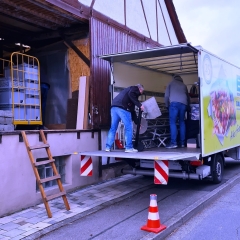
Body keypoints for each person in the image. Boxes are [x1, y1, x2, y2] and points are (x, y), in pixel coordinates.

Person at [105, 84, 144, 153]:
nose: (140, 94)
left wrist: (137, 123)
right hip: (122, 108)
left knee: (113, 128)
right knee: (129, 127)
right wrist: (140, 105)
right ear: (140, 89)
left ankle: (108, 147)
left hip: (114, 108)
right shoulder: (134, 88)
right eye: (141, 92)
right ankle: (128, 147)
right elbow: (131, 94)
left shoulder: (129, 96)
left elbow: (132, 111)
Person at [164, 75, 190, 149]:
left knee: (173, 122)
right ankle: (182, 143)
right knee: (182, 122)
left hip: (174, 104)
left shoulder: (171, 83)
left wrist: (166, 105)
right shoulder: (184, 85)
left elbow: (166, 96)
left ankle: (174, 143)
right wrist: (188, 107)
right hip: (184, 104)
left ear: (173, 78)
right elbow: (188, 97)